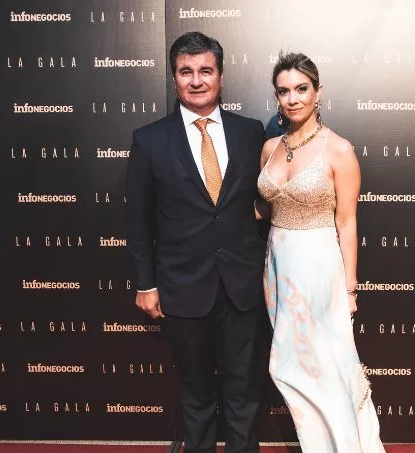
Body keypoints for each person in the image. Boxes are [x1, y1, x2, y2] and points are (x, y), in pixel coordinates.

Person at [125, 31, 267, 453]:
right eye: (186, 71)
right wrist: (145, 283)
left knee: (244, 389)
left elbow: (264, 203)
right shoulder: (149, 139)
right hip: (182, 286)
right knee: (196, 390)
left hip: (242, 285)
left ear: (221, 76)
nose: (197, 80)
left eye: (206, 70)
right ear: (174, 78)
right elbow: (138, 220)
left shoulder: (250, 133)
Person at [257, 52, 385, 452]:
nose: (293, 98)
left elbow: (346, 221)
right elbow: (263, 208)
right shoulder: (270, 148)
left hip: (318, 267)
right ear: (276, 97)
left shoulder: (338, 150)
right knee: (292, 364)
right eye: (284, 91)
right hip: (278, 267)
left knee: (324, 368)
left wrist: (350, 289)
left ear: (318, 92)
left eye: (301, 88)